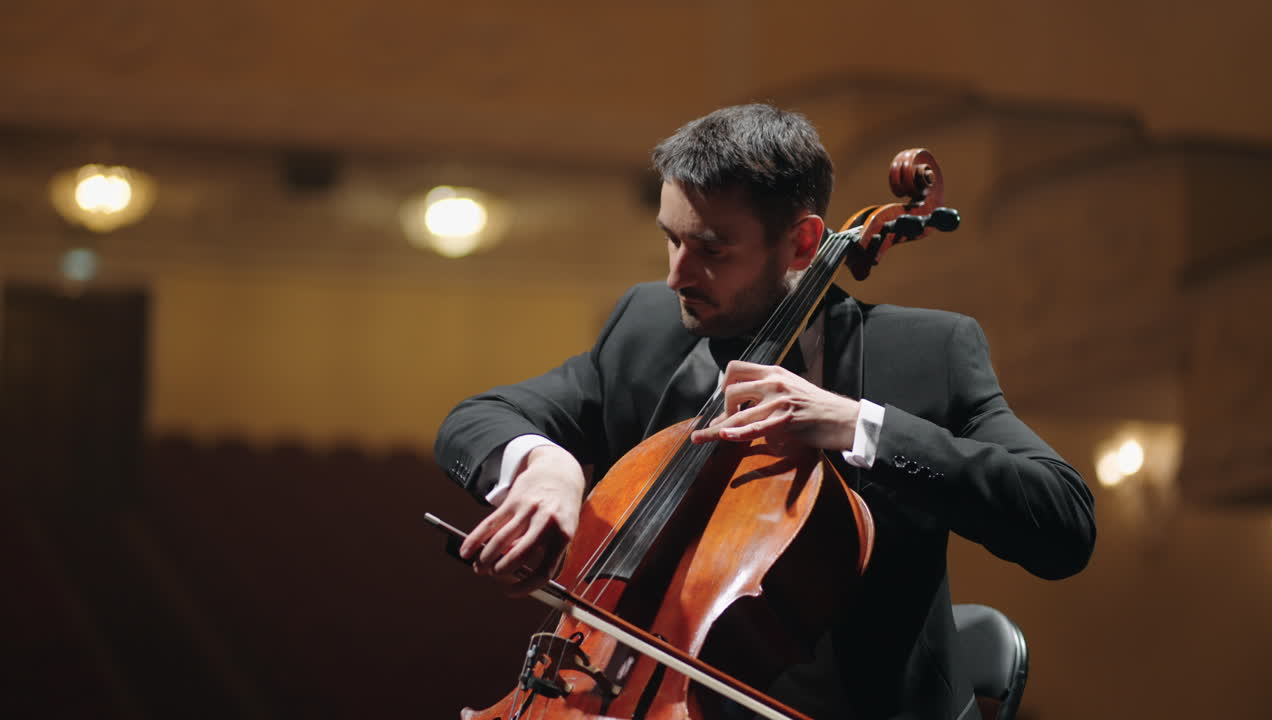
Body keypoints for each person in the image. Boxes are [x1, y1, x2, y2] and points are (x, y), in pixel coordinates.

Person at [434, 104, 1095, 720]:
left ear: (804, 242)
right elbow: (480, 417)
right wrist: (544, 466)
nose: (677, 276)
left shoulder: (927, 353)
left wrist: (859, 424)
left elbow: (1063, 521)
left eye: (713, 250)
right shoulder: (646, 329)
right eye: (672, 240)